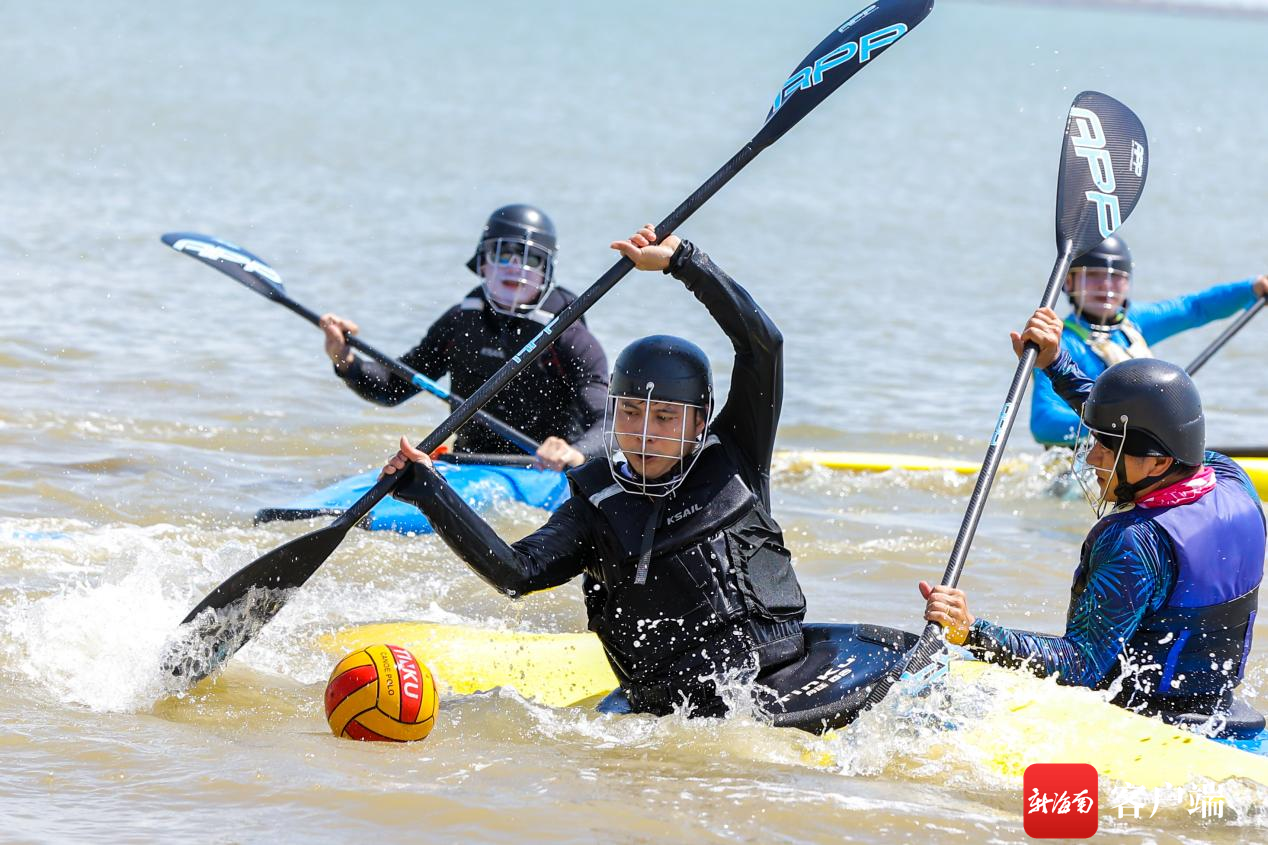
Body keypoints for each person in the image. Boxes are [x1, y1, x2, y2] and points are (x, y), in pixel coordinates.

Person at [381, 225, 810, 718]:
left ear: (699, 420)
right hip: (672, 714)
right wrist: (428, 490)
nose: (644, 433)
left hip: (782, 672)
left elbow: (763, 346)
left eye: (665, 417)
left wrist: (685, 262)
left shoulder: (736, 453)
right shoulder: (596, 504)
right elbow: (517, 572)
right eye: (631, 412)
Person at [923, 307, 1266, 728]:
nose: (1092, 457)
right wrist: (1056, 363)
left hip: (1143, 718)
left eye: (1108, 448)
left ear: (1159, 462)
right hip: (1219, 705)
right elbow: (1139, 422)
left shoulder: (1135, 541)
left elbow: (1081, 666)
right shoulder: (1231, 478)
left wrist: (972, 632)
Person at [319, 204, 608, 470]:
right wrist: (345, 360)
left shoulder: (570, 337)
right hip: (465, 462)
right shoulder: (460, 323)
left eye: (530, 259)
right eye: (503, 254)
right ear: (482, 263)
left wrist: (576, 453)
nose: (515, 266)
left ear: (547, 271)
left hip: (547, 469)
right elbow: (392, 388)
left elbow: (610, 423)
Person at [1030, 234, 1268, 446]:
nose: (1105, 285)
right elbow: (1042, 423)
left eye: (1115, 277)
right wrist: (1116, 421)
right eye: (1092, 275)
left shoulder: (1136, 322)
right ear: (1068, 282)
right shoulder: (1058, 345)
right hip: (1079, 459)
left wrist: (1251, 288)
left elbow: (1195, 308)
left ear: (1127, 283)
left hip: (1135, 451)